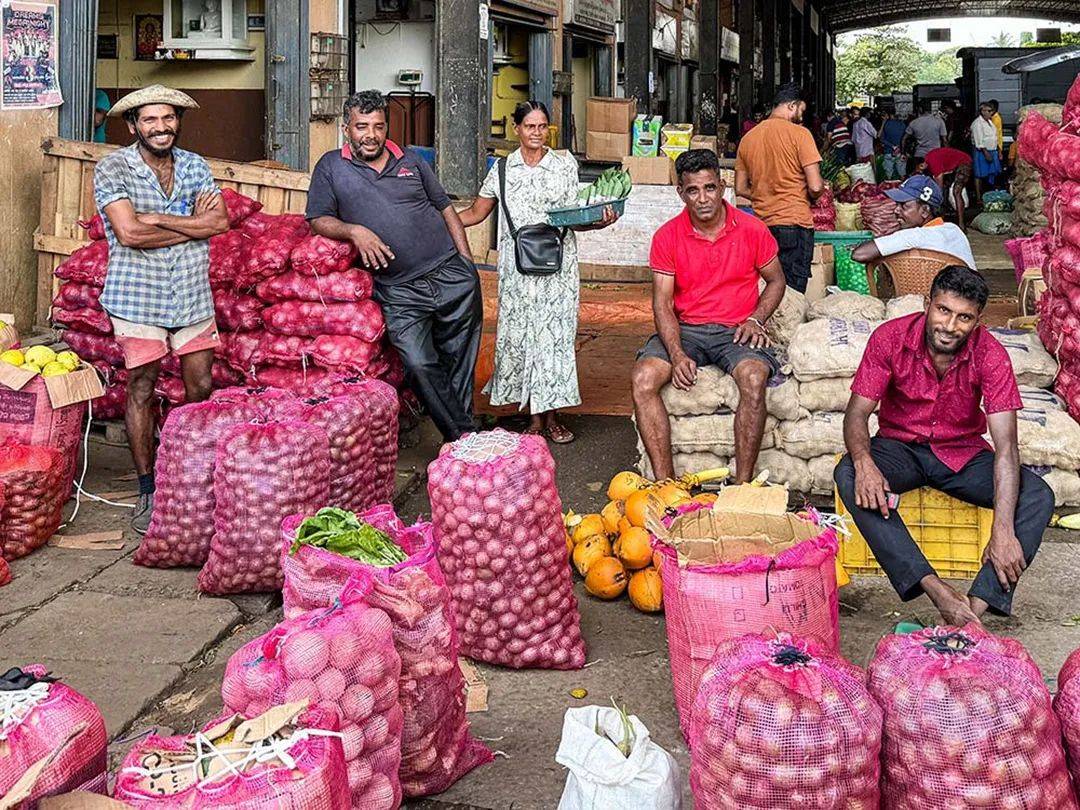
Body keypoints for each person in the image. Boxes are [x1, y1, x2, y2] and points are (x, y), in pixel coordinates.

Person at [834, 266, 1053, 626]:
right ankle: (936, 589)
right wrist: (865, 462)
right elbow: (856, 415)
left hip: (962, 455)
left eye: (964, 317)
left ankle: (973, 608)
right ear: (927, 305)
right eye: (943, 311)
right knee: (849, 472)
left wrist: (1003, 530)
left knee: (1039, 495)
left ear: (978, 321)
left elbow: (1006, 448)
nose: (950, 326)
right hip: (899, 448)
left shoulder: (991, 355)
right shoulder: (889, 338)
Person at [307, 90, 482, 442]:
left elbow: (445, 208)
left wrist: (467, 265)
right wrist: (354, 231)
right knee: (419, 363)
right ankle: (466, 436)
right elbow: (317, 218)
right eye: (361, 126)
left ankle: (460, 441)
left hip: (450, 272)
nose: (370, 134)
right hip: (399, 288)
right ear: (346, 129)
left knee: (459, 360)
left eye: (378, 126)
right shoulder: (331, 166)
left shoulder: (412, 161)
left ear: (387, 128)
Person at [93, 85, 229, 533]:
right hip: (138, 297)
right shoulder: (114, 168)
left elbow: (221, 222)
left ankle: (189, 476)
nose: (161, 127)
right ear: (133, 126)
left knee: (200, 387)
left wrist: (160, 219)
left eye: (168, 118)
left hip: (191, 293)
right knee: (142, 388)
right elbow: (129, 234)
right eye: (150, 120)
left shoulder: (194, 165)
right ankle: (147, 486)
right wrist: (193, 227)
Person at [456, 101, 618, 443]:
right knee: (523, 337)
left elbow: (576, 216)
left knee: (554, 341)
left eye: (542, 127)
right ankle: (533, 418)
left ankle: (553, 417)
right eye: (530, 126)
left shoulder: (563, 166)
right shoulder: (502, 170)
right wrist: (435, 217)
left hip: (558, 267)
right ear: (517, 128)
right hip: (517, 272)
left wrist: (601, 222)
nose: (537, 133)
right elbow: (476, 212)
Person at [632, 149, 786, 482]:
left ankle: (742, 485)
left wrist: (756, 319)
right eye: (693, 190)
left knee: (754, 378)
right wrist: (676, 354)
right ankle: (666, 486)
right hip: (686, 329)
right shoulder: (667, 236)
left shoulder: (752, 229)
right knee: (643, 379)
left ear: (723, 186)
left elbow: (777, 280)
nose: (703, 198)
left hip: (737, 331)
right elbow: (662, 304)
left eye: (710, 188)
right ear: (681, 193)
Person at [735, 83, 825, 293]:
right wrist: (814, 194)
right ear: (792, 106)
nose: (801, 116)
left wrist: (763, 193)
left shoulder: (748, 138)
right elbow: (815, 185)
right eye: (801, 110)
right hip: (795, 223)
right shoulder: (800, 134)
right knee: (792, 293)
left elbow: (740, 188)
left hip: (762, 225)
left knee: (765, 288)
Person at [851, 175, 976, 269]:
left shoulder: (914, 236)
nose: (896, 210)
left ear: (925, 211)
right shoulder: (955, 230)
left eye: (904, 206)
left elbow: (859, 254)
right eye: (897, 204)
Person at [902, 102, 947, 176]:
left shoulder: (914, 122)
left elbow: (904, 139)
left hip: (919, 155)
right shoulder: (939, 121)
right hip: (935, 154)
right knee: (935, 177)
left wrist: (904, 152)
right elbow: (944, 140)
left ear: (920, 109)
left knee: (919, 178)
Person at [971, 102, 1002, 199]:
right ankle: (979, 197)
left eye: (991, 111)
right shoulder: (977, 123)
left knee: (992, 173)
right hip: (982, 152)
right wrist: (986, 153)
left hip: (992, 150)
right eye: (988, 111)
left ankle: (989, 193)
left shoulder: (990, 122)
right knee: (979, 174)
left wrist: (998, 151)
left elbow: (994, 137)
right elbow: (978, 140)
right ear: (982, 111)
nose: (991, 113)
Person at [878, 109, 907, 180]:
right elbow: (905, 139)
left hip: (888, 151)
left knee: (889, 174)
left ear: (889, 115)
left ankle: (890, 188)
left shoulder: (885, 124)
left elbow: (881, 139)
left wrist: (892, 146)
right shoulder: (902, 124)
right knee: (902, 173)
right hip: (900, 152)